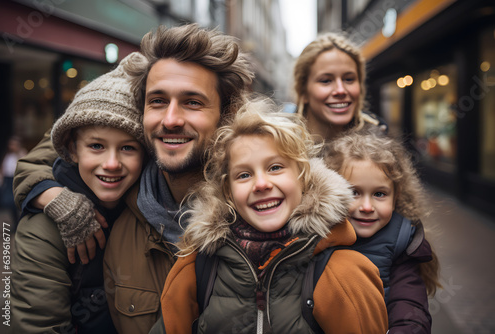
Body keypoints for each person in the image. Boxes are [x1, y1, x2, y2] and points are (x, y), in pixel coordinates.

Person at [12, 23, 254, 333]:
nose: (170, 119)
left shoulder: (262, 207)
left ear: (227, 114)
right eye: (157, 101)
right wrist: (45, 189)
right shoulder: (123, 217)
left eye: (193, 102)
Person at [155, 97, 388, 333]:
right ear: (229, 192)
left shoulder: (344, 272)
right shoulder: (197, 267)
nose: (261, 184)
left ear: (302, 177)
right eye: (244, 175)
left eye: (275, 167)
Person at [10, 52, 146, 333]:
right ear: (73, 149)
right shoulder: (42, 231)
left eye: (128, 148)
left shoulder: (152, 210)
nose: (111, 163)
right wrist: (51, 196)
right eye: (96, 146)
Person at [324, 129, 441, 333]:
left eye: (379, 194)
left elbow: (411, 310)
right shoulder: (313, 237)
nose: (367, 206)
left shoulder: (402, 245)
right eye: (354, 192)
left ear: (396, 198)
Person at [293, 32, 387, 142]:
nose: (340, 90)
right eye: (326, 81)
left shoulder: (380, 140)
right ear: (303, 91)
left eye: (349, 79)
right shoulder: (281, 149)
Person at [0, 135, 27, 224]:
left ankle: (20, 221)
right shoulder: (7, 154)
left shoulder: (21, 153)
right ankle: (15, 221)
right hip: (7, 180)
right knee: (8, 202)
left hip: (16, 179)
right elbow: (3, 167)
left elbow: (24, 166)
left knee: (16, 201)